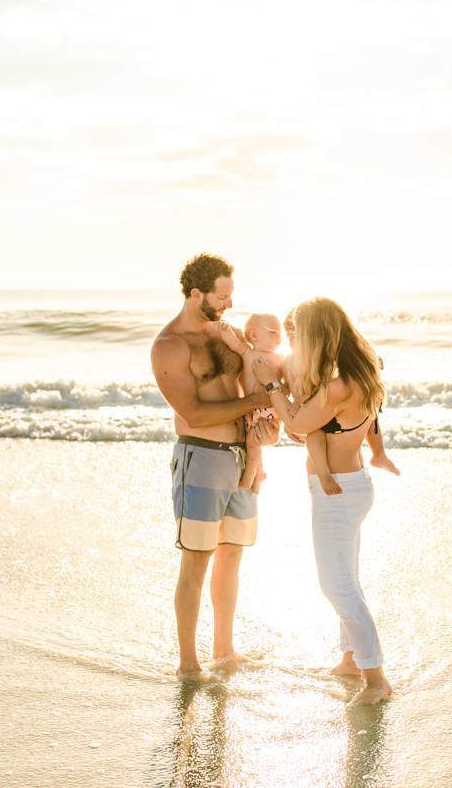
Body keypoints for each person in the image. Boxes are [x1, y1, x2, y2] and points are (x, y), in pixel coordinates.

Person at [253, 297, 394, 705]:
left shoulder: (338, 385)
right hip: (350, 486)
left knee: (337, 588)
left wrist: (271, 385)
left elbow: (297, 422)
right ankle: (352, 659)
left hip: (337, 494)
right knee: (347, 580)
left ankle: (376, 680)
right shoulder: (361, 374)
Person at [150, 253, 278, 680]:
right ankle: (189, 663)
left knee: (232, 557)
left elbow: (256, 377)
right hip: (201, 458)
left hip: (241, 458)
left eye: (230, 296)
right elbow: (193, 413)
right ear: (196, 294)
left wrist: (266, 431)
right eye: (221, 297)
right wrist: (256, 402)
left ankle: (225, 649)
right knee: (197, 561)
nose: (228, 306)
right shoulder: (170, 346)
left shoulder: (228, 334)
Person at [281, 310, 399, 496]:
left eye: (295, 337)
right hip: (310, 408)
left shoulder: (320, 360)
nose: (291, 343)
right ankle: (324, 473)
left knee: (371, 412)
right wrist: (294, 403)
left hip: (320, 410)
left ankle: (379, 454)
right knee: (315, 435)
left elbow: (339, 367)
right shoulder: (290, 360)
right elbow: (289, 385)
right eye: (289, 339)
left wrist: (372, 363)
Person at [217, 313, 286, 494]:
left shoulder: (280, 359)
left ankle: (251, 472)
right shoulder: (247, 352)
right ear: (254, 336)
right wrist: (225, 330)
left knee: (253, 441)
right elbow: (233, 342)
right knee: (254, 438)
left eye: (280, 333)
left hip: (272, 409)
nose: (279, 337)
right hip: (252, 409)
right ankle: (260, 473)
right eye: (274, 332)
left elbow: (289, 386)